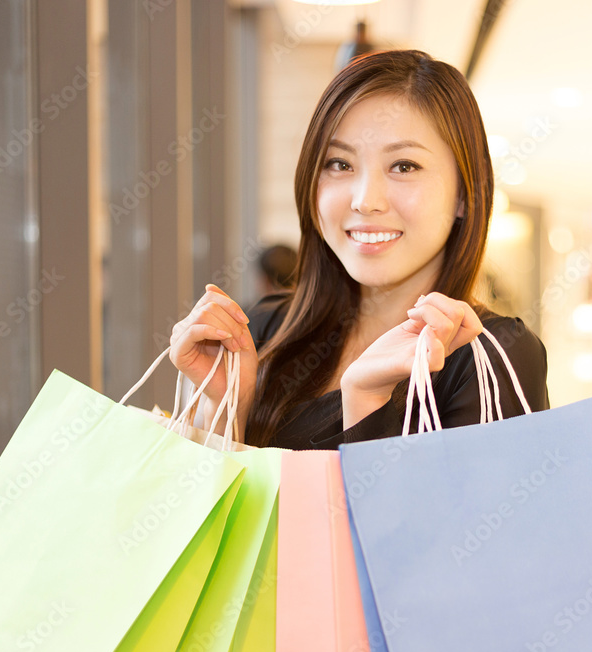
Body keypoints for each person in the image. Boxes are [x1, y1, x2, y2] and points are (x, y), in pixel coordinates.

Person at [168, 50, 549, 449]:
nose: (366, 201)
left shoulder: (489, 358)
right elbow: (215, 511)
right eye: (339, 163)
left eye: (404, 166)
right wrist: (225, 407)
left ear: (464, 195)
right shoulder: (262, 330)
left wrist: (366, 402)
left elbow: (467, 514)